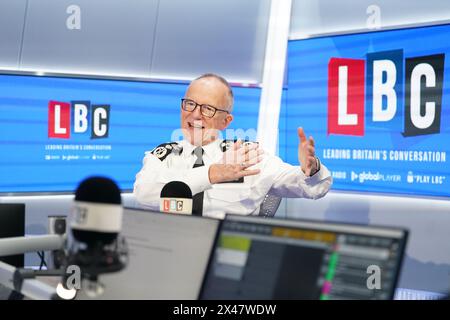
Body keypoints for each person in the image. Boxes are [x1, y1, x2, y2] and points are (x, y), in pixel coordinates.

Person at [133, 73, 332, 219]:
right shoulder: (163, 156)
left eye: (207, 109)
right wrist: (210, 175)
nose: (194, 114)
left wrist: (311, 170)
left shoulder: (247, 156)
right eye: (190, 104)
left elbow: (314, 188)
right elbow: (143, 195)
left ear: (226, 121)